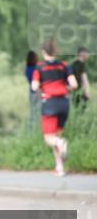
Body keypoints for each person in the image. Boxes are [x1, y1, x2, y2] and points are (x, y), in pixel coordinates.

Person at [31, 39, 78, 176]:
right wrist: (65, 89)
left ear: (43, 52)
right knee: (56, 136)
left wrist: (42, 88)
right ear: (55, 52)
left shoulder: (39, 67)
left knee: (50, 139)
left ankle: (61, 143)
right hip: (64, 103)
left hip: (49, 103)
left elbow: (34, 86)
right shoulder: (64, 65)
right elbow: (74, 84)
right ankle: (60, 168)